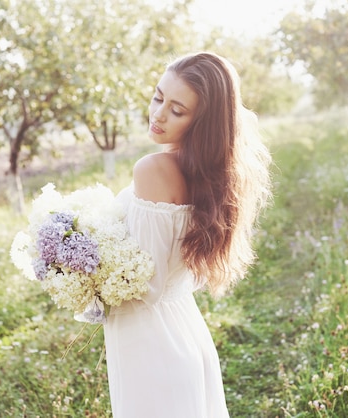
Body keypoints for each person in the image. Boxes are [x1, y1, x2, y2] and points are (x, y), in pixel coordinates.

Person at [103, 51, 272, 418]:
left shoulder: (154, 169)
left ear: (202, 123)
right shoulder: (210, 176)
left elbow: (142, 286)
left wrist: (74, 268)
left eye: (178, 110)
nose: (159, 114)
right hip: (183, 329)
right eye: (158, 96)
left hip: (148, 342)